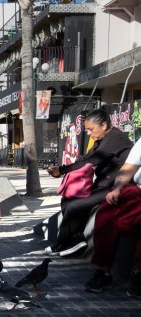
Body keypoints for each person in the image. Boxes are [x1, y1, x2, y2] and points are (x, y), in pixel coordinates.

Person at [45, 105, 133, 257]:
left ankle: (62, 244)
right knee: (67, 199)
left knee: (74, 205)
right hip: (103, 185)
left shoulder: (116, 138)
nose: (89, 133)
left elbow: (92, 161)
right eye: (87, 130)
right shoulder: (103, 138)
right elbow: (86, 158)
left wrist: (62, 170)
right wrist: (61, 168)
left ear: (104, 125)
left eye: (91, 129)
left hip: (117, 186)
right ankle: (77, 239)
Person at [84, 137, 141, 295]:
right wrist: (117, 188)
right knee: (105, 214)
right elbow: (129, 168)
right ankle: (103, 272)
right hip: (137, 190)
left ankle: (139, 274)